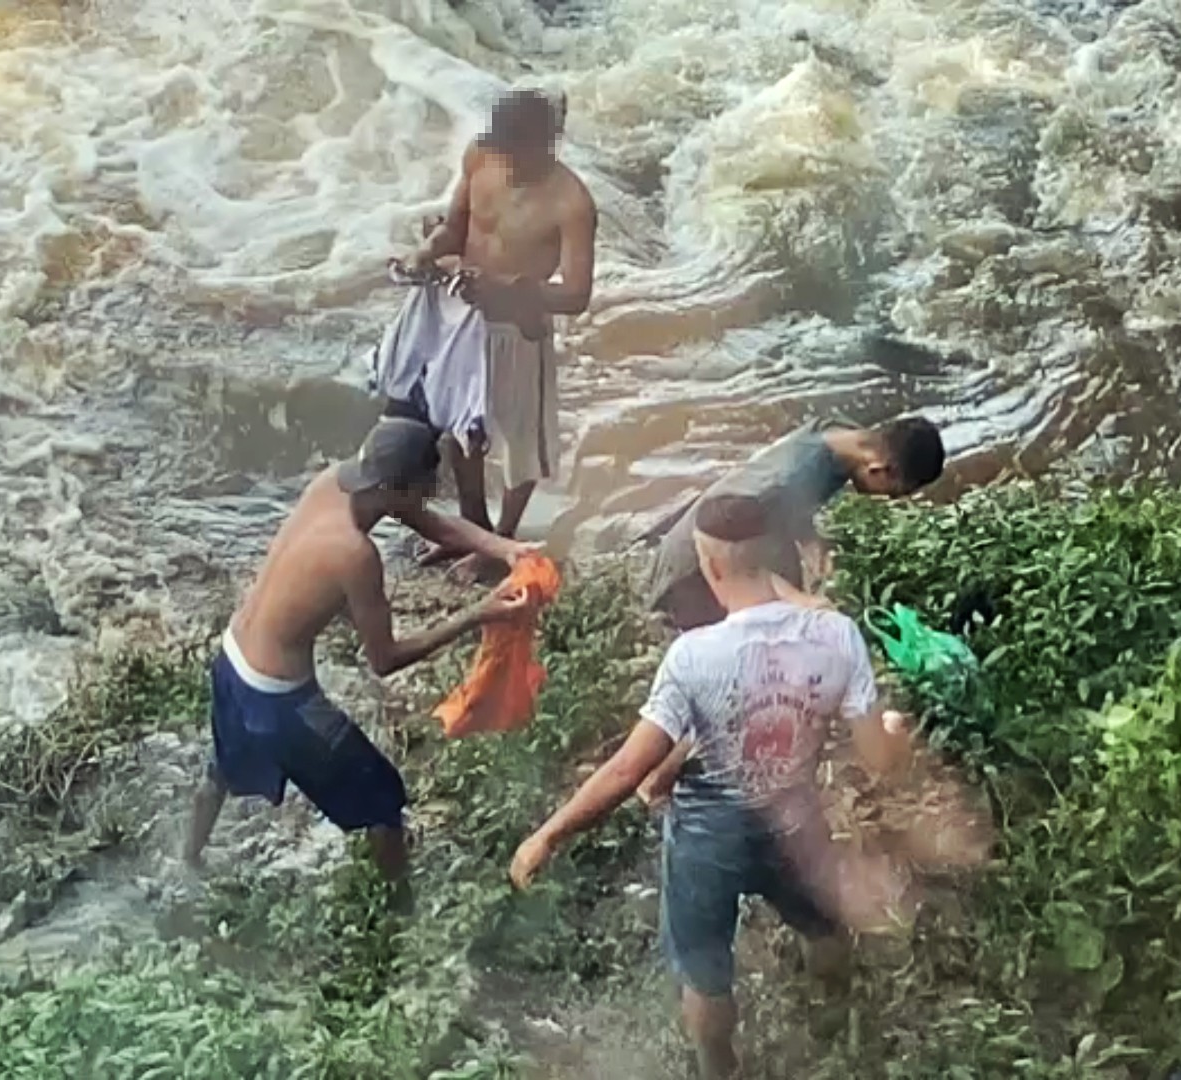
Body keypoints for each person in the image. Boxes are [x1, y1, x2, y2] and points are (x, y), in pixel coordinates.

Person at [510, 494, 913, 1080]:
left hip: (706, 841)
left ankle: (718, 1070)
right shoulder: (838, 637)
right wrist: (897, 735)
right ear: (772, 556)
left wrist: (547, 836)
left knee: (705, 976)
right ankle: (832, 1027)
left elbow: (628, 771)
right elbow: (877, 759)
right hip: (794, 822)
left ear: (711, 566)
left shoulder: (693, 656)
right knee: (824, 928)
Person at [186, 417, 534, 901]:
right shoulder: (356, 555)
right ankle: (395, 915)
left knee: (223, 764)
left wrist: (507, 548)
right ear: (395, 488)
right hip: (278, 702)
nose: (427, 500)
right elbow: (385, 659)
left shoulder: (333, 483)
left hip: (231, 661)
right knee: (383, 798)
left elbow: (420, 517)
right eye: (422, 490)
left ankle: (189, 862)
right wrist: (477, 614)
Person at [375, 86, 597, 564]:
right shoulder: (481, 156)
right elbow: (454, 226)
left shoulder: (571, 201)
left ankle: (505, 540)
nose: (506, 162)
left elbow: (577, 294)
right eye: (501, 149)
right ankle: (473, 531)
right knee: (461, 431)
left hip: (517, 328)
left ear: (547, 145)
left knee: (523, 443)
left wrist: (509, 288)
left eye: (517, 153)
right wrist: (425, 253)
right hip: (461, 314)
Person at [643, 418, 946, 632]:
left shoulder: (840, 434)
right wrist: (806, 601)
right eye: (894, 492)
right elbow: (756, 568)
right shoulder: (788, 481)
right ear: (879, 469)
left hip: (715, 536)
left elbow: (795, 510)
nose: (890, 500)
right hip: (690, 569)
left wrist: (816, 543)